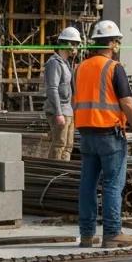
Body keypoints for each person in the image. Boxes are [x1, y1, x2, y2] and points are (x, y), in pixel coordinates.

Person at [72, 19, 132, 249]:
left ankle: (86, 234)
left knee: (87, 184)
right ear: (113, 43)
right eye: (117, 42)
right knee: (113, 185)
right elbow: (126, 101)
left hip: (86, 134)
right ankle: (113, 233)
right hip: (109, 134)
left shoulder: (80, 67)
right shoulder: (114, 67)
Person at [44, 26, 81, 161]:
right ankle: (53, 172)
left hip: (68, 110)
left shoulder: (66, 64)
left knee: (68, 145)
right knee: (59, 144)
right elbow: (52, 89)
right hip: (59, 111)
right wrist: (58, 113)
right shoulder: (54, 63)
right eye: (75, 44)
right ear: (67, 44)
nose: (76, 48)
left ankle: (63, 171)